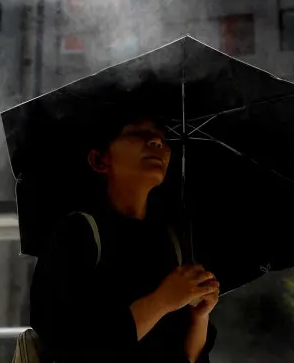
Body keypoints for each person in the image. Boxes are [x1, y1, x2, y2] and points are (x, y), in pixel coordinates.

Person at [29, 117, 221, 363]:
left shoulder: (170, 239)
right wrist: (160, 302)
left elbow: (188, 357)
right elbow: (70, 343)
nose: (156, 142)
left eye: (162, 138)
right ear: (99, 160)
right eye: (137, 133)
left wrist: (200, 316)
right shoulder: (77, 234)